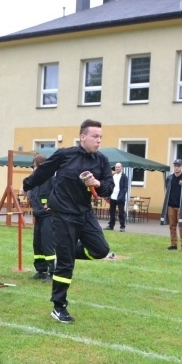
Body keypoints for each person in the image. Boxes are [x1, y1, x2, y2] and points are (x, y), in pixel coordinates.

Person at [22, 119, 114, 324]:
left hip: (85, 214)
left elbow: (108, 187)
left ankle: (67, 250)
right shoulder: (66, 155)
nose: (99, 141)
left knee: (100, 249)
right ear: (83, 137)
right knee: (65, 265)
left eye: (101, 137)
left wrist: (97, 183)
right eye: (95, 136)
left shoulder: (102, 161)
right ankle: (59, 307)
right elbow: (44, 171)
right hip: (63, 214)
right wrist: (27, 184)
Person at [28, 154, 56, 281]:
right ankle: (41, 270)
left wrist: (52, 204)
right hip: (38, 215)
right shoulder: (35, 179)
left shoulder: (51, 178)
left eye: (35, 166)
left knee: (47, 244)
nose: (33, 169)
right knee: (38, 244)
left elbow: (59, 192)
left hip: (49, 217)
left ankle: (53, 272)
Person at [160, 158, 182, 252]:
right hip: (171, 206)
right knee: (172, 226)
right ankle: (173, 245)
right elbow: (167, 189)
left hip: (181, 207)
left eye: (178, 166)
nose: (176, 167)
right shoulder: (169, 178)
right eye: (175, 165)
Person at [104, 162, 128, 232]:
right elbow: (110, 185)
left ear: (121, 168)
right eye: (116, 167)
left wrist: (121, 196)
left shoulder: (124, 176)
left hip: (120, 198)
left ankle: (122, 226)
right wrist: (108, 195)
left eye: (118, 167)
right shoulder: (113, 176)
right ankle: (111, 226)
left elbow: (125, 188)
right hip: (112, 197)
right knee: (112, 212)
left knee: (121, 213)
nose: (117, 168)